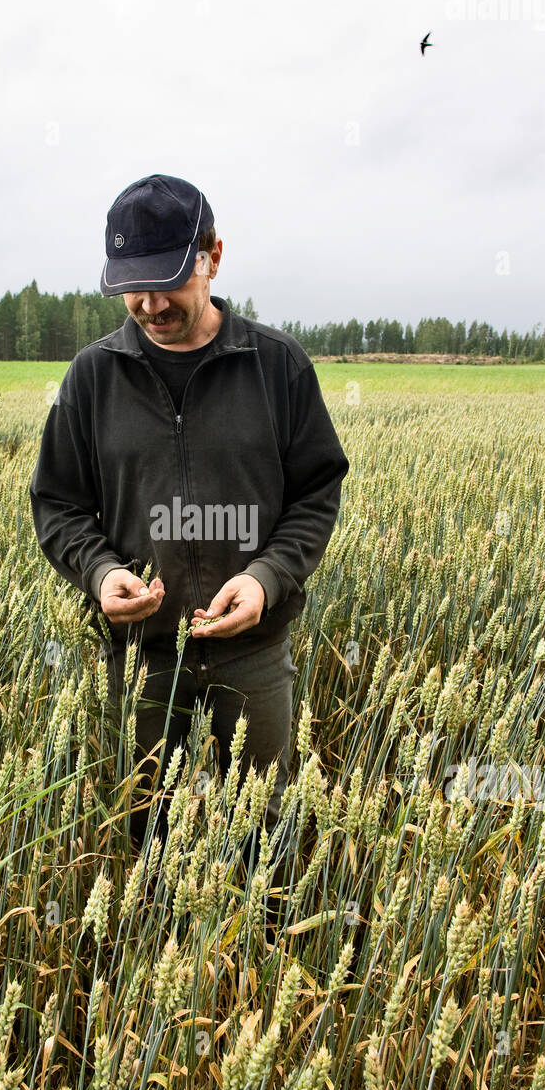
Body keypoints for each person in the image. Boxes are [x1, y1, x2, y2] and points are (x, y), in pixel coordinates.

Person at [29, 172, 349, 844]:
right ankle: (158, 942)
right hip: (144, 657)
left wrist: (266, 579)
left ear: (213, 257)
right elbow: (57, 502)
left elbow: (316, 494)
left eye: (167, 278)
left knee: (268, 829)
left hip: (253, 651)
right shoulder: (92, 377)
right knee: (148, 829)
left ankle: (259, 943)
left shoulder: (278, 366)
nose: (148, 303)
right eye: (130, 285)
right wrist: (98, 572)